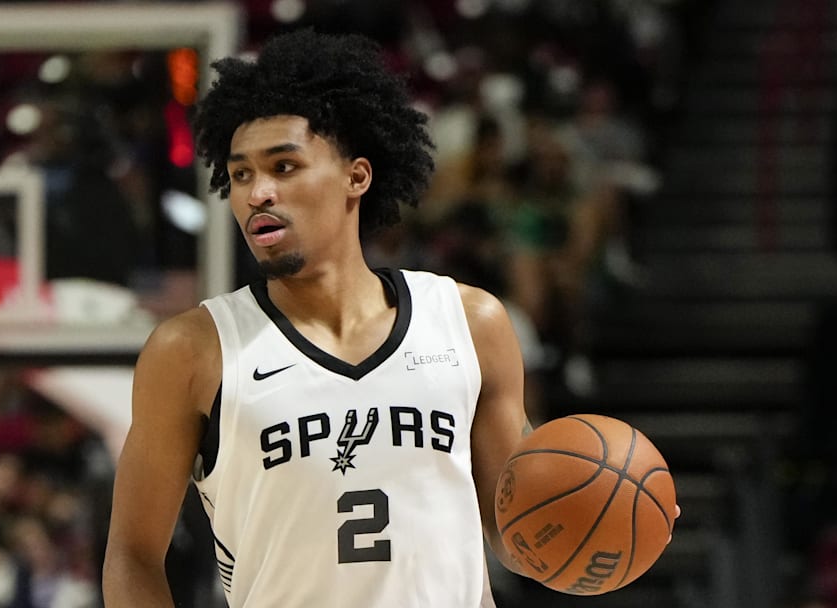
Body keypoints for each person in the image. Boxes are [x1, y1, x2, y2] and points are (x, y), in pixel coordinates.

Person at [103, 29, 535, 607]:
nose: (258, 193)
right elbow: (132, 556)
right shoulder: (192, 350)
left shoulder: (470, 322)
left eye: (284, 166)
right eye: (241, 175)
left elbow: (515, 537)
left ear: (357, 176)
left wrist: (601, 522)